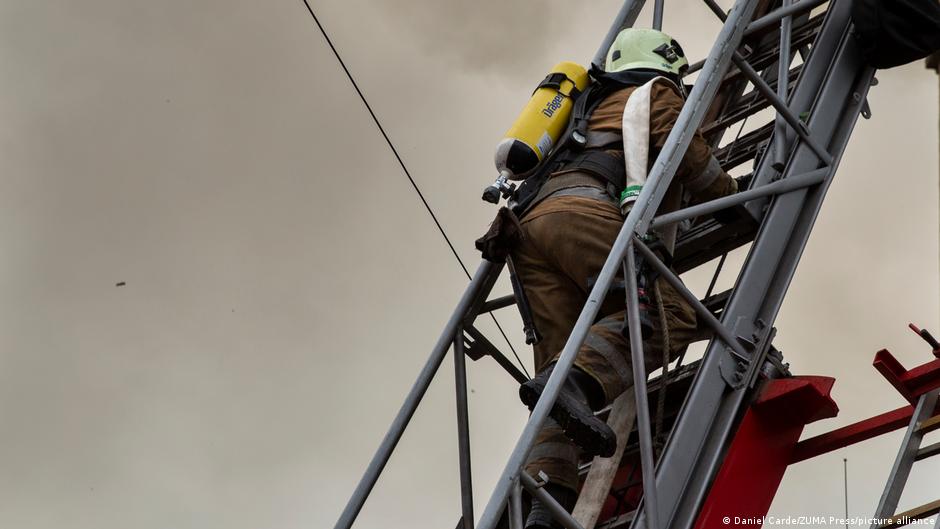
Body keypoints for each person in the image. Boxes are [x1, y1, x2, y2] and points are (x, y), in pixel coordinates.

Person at [507, 28, 739, 529]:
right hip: (582, 213)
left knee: (559, 354)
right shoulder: (654, 91)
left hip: (523, 232)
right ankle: (578, 385)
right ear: (666, 62)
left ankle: (542, 508)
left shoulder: (583, 107)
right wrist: (734, 197)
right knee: (669, 312)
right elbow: (688, 158)